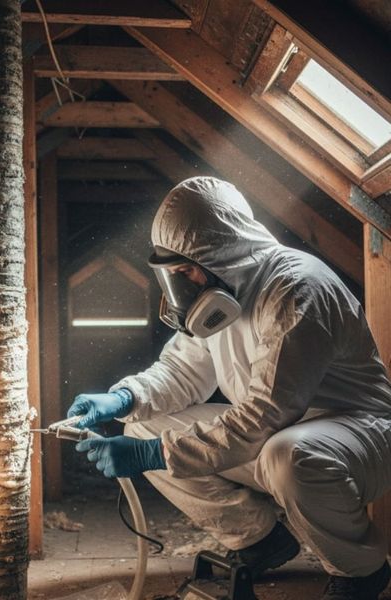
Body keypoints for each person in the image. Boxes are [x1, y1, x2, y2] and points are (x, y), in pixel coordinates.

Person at [68, 177, 391, 600]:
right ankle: (259, 539)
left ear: (222, 249)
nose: (184, 286)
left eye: (186, 271)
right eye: (174, 275)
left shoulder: (297, 291)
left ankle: (360, 571)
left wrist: (154, 456)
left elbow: (263, 415)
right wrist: (123, 399)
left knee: (288, 454)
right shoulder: (222, 293)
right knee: (145, 426)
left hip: (356, 437)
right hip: (276, 438)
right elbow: (181, 371)